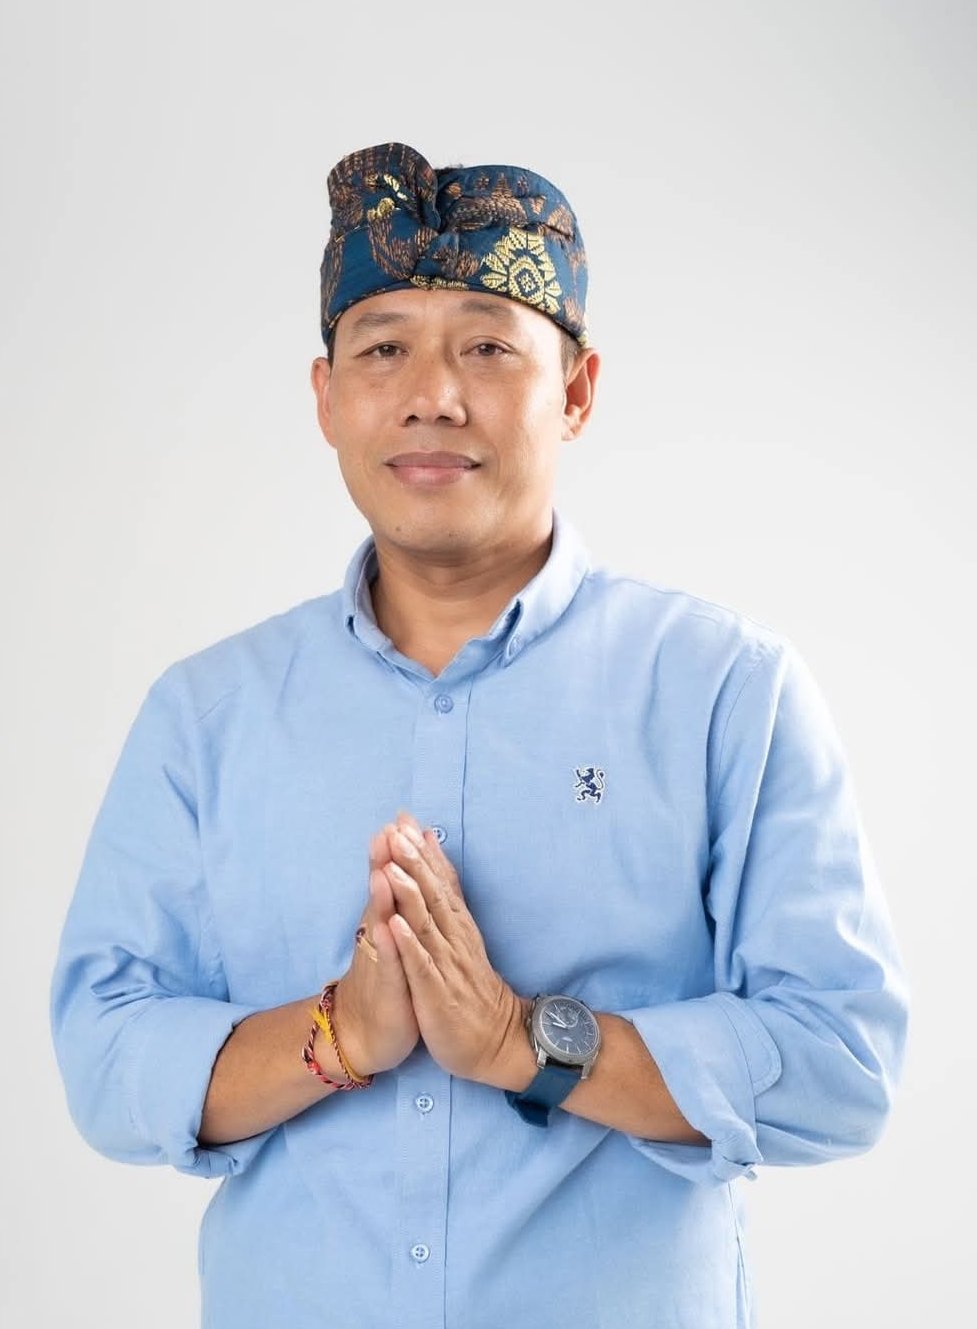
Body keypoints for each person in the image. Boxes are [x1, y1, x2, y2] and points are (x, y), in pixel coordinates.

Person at [50, 141, 908, 1329]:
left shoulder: (723, 691)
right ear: (325, 397)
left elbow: (841, 1061)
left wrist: (524, 1044)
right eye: (382, 347)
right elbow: (103, 1056)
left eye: (488, 347)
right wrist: (338, 1035)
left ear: (576, 391)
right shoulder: (207, 713)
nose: (431, 395)